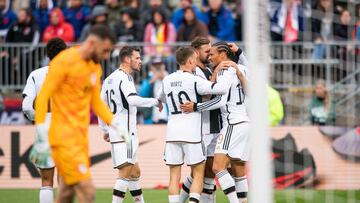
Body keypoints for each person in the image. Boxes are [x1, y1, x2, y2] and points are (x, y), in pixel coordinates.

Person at [31, 24, 129, 203]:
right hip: (62, 138)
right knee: (87, 191)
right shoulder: (64, 61)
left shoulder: (95, 68)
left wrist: (114, 123)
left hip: (80, 139)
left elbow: (96, 103)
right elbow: (43, 96)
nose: (107, 56)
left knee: (66, 193)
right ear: (92, 43)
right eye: (105, 50)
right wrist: (41, 133)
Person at [159, 46, 233, 203]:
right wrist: (221, 69)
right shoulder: (194, 80)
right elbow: (221, 89)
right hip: (192, 133)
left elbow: (161, 97)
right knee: (198, 173)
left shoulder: (167, 79)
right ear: (190, 61)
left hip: (172, 133)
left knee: (174, 176)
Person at [181, 42, 250, 203]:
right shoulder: (242, 69)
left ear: (223, 54)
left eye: (212, 53)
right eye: (208, 53)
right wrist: (239, 54)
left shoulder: (223, 70)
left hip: (231, 123)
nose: (210, 56)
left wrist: (196, 106)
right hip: (244, 122)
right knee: (238, 170)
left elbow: (219, 100)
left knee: (216, 168)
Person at [99, 46, 162, 203]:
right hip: (125, 133)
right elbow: (133, 100)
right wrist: (155, 101)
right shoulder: (125, 78)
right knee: (125, 173)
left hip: (117, 132)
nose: (140, 61)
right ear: (127, 59)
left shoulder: (109, 79)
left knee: (135, 172)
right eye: (137, 58)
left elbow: (101, 106)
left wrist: (105, 129)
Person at [23, 37, 67, 203]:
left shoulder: (36, 75)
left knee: (46, 181)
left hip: (44, 129)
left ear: (47, 54)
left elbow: (27, 106)